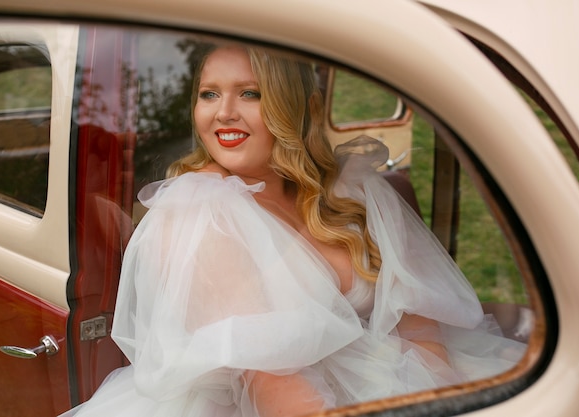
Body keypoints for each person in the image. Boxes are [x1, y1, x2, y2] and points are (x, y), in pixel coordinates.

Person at [60, 43, 525, 417]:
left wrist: (438, 399)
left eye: (250, 93)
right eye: (209, 94)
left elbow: (418, 322)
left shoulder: (350, 189)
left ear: (299, 108)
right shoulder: (201, 211)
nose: (223, 113)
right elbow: (269, 379)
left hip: (399, 388)